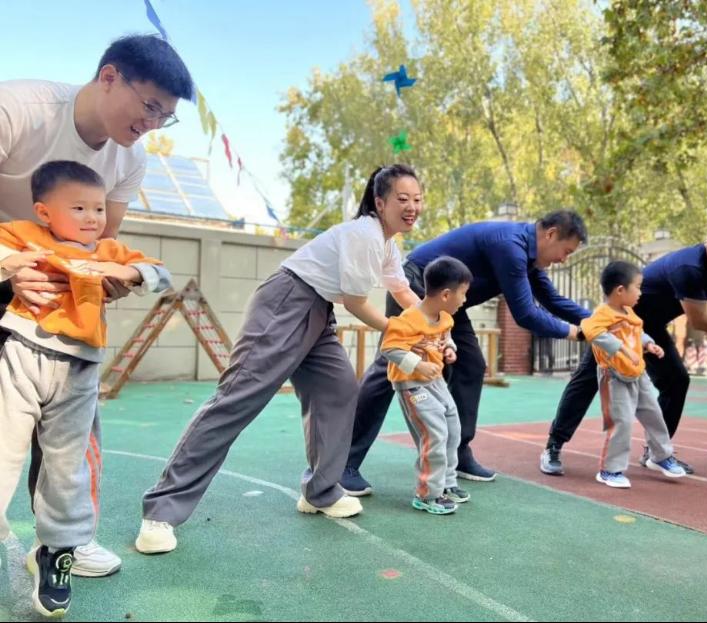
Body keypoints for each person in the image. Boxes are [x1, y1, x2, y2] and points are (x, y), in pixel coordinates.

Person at [134, 164, 424, 555]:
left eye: (417, 199)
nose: (412, 207)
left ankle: (321, 491)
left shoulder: (387, 244)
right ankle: (161, 511)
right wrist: (400, 331)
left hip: (318, 311)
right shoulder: (364, 235)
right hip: (287, 302)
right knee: (237, 399)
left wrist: (433, 326)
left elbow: (402, 291)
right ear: (380, 202)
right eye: (403, 199)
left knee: (339, 389)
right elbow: (357, 303)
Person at [0, 33, 193, 576]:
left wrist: (115, 279)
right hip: (6, 257)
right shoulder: (16, 109)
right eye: (150, 106)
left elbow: (104, 243)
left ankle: (68, 539)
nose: (153, 123)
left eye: (166, 116)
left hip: (56, 292)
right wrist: (10, 266)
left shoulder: (130, 159)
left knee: (73, 419)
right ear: (109, 77)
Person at [0, 161, 172, 617]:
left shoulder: (108, 250)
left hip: (78, 368)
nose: (93, 217)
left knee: (66, 465)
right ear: (44, 212)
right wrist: (10, 264)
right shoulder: (26, 234)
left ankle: (57, 552)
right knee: (4, 450)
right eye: (78, 208)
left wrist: (126, 274)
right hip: (22, 353)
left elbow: (159, 273)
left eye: (98, 208)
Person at [342, 210, 590, 496]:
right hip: (418, 285)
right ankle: (344, 461)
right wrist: (576, 333)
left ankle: (456, 454)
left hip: (450, 302)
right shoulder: (510, 247)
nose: (564, 259)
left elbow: (553, 300)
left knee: (471, 365)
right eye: (566, 251)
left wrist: (599, 322)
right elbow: (525, 314)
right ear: (551, 234)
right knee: (390, 366)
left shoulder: (527, 258)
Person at [541, 215, 707, 476]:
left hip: (650, 328)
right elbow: (699, 320)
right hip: (617, 321)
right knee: (588, 380)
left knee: (676, 381)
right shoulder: (690, 267)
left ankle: (657, 454)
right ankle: (553, 445)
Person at [580, 261, 687, 488]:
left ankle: (661, 456)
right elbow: (590, 330)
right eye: (638, 287)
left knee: (655, 415)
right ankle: (610, 470)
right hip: (614, 377)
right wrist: (622, 349)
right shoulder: (603, 313)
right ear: (621, 290)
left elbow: (638, 332)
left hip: (638, 375)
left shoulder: (629, 312)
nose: (641, 293)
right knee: (622, 423)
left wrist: (649, 344)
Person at [381, 256, 472, 514]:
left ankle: (447, 483)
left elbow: (445, 336)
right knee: (435, 434)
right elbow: (389, 348)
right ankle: (428, 495)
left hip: (436, 381)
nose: (464, 300)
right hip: (412, 385)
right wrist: (418, 365)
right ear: (446, 295)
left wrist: (450, 348)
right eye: (463, 294)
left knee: (452, 428)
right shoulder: (408, 320)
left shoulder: (445, 318)